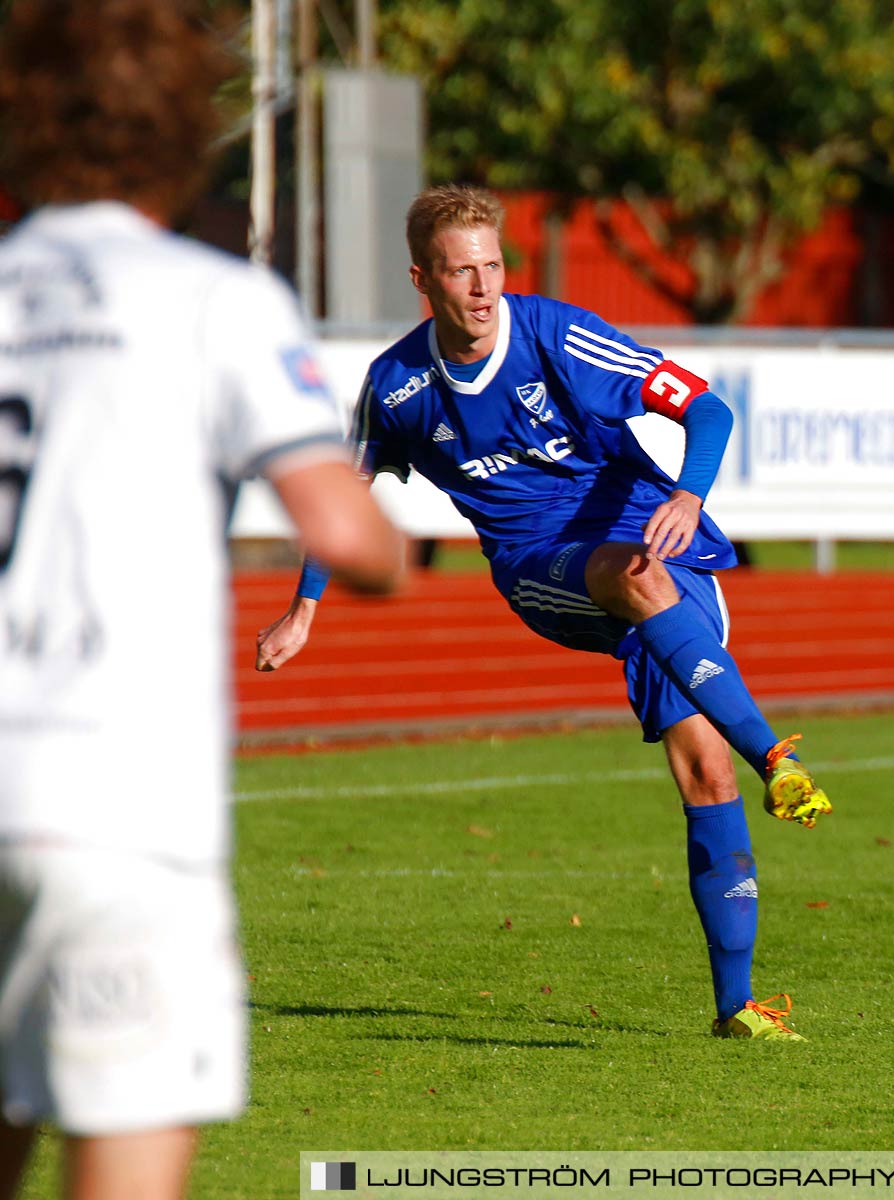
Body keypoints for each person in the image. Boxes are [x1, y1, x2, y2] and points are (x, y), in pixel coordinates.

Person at [254, 184, 833, 1041]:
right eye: (462, 272)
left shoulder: (558, 335)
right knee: (630, 573)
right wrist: (303, 609)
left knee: (703, 775)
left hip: (667, 555)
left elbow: (707, 407)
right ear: (425, 279)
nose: (483, 289)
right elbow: (346, 490)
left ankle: (735, 1008)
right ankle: (777, 754)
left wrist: (689, 490)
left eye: (493, 267)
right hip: (542, 571)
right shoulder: (399, 385)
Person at [0, 2, 407, 1197]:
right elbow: (343, 529)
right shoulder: (211, 296)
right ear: (186, 124)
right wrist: (389, 545)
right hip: (117, 804)